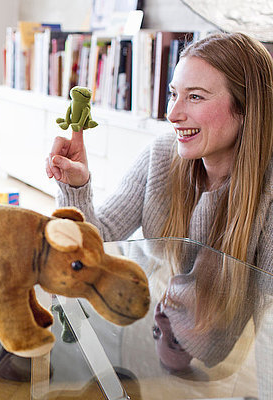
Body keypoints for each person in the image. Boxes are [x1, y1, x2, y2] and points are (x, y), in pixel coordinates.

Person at [46, 31, 273, 370]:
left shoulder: (267, 190)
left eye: (195, 97)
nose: (173, 113)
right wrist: (76, 185)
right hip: (143, 315)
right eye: (173, 94)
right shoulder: (163, 154)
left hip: (227, 350)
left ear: (245, 109)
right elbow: (99, 238)